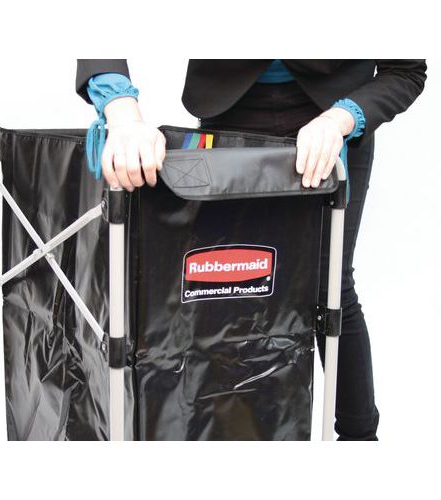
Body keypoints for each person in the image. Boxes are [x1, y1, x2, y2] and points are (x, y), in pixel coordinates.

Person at [76, 59, 427, 440]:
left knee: (330, 287)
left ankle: (361, 440)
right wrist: (122, 112)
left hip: (332, 125)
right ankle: (232, 435)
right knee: (227, 287)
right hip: (230, 113)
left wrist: (342, 118)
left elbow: (405, 70)